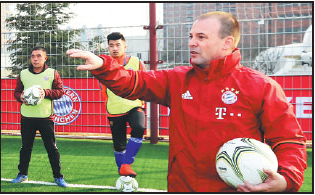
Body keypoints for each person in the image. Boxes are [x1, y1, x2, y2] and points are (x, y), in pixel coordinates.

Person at [67, 11, 307, 192]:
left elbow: (288, 139)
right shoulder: (177, 79)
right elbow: (134, 83)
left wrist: (287, 178)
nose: (192, 42)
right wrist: (104, 66)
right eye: (191, 36)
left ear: (228, 43)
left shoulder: (261, 87)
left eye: (201, 37)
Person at [13, 46, 67, 187]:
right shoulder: (23, 74)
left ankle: (58, 176)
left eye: (38, 56)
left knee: (51, 148)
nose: (35, 59)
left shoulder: (52, 73)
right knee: (26, 148)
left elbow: (60, 92)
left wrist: (45, 92)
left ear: (45, 58)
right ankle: (22, 174)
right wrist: (21, 98)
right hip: (27, 117)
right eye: (33, 56)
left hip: (46, 117)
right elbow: (17, 92)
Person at [98, 32, 146, 177]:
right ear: (108, 48)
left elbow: (145, 82)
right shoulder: (104, 65)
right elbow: (103, 89)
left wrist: (141, 101)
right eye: (111, 45)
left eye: (118, 45)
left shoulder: (137, 62)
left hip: (134, 104)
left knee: (139, 127)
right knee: (119, 145)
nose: (115, 48)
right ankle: (123, 175)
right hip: (114, 109)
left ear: (125, 46)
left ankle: (126, 164)